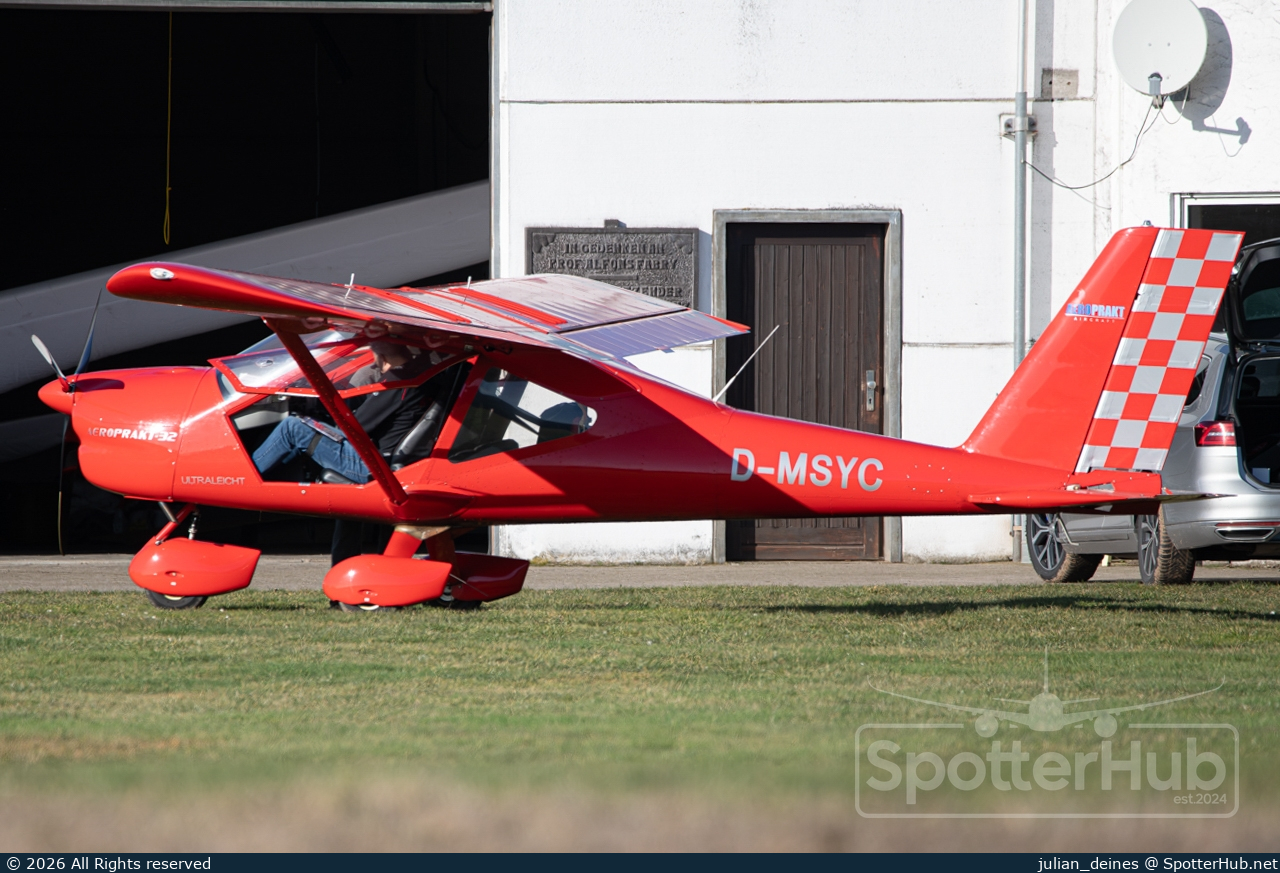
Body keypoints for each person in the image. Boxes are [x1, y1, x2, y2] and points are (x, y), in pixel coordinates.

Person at [251, 340, 433, 484]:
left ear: (381, 356)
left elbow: (352, 425)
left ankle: (247, 479)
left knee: (293, 427)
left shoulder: (396, 383)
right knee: (307, 429)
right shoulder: (420, 376)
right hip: (390, 461)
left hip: (372, 467)